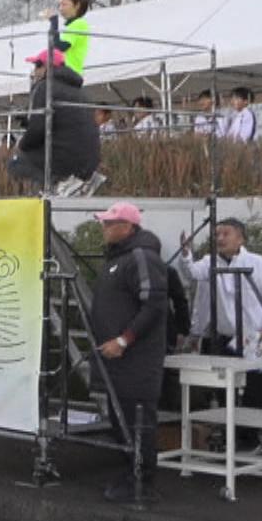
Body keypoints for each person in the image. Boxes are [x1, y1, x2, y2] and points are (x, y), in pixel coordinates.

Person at [175, 218, 262, 450]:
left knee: (255, 389)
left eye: (226, 234)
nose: (220, 239)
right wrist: (186, 253)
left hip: (253, 336)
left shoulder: (258, 263)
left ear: (241, 238)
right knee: (225, 390)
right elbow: (192, 273)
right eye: (217, 235)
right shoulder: (209, 263)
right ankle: (229, 436)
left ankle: (250, 439)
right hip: (221, 336)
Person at [89, 204, 171, 503]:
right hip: (115, 361)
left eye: (111, 223)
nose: (105, 228)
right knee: (119, 419)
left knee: (138, 421)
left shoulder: (141, 257)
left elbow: (154, 305)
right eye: (105, 222)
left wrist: (123, 341)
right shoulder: (118, 258)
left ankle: (143, 483)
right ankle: (130, 475)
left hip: (137, 361)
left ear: (128, 226)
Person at [8, 49, 100, 196]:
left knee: (16, 163)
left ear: (46, 67)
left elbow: (37, 131)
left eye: (37, 66)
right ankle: (65, 186)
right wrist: (28, 122)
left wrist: (21, 144)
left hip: (63, 160)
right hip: (89, 162)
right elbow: (64, 123)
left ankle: (46, 195)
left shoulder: (44, 87)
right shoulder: (81, 92)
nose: (34, 72)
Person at [41, 0, 93, 75]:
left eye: (64, 4)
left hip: (70, 72)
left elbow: (60, 47)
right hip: (67, 72)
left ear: (77, 5)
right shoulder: (73, 25)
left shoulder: (78, 24)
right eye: (59, 5)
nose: (60, 8)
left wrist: (54, 21)